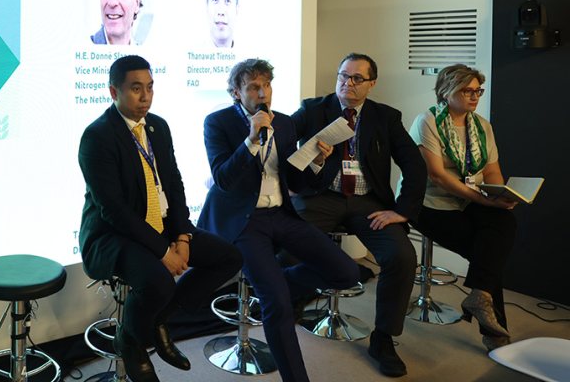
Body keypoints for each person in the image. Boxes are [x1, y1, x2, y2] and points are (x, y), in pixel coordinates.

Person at [79, 55, 242, 382]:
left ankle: (157, 319)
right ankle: (132, 342)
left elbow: (174, 184)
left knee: (229, 257)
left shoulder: (158, 126)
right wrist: (163, 252)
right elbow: (114, 210)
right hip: (112, 236)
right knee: (158, 279)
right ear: (114, 91)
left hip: (163, 225)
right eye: (136, 89)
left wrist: (182, 238)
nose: (146, 97)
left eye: (150, 88)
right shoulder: (98, 136)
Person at [198, 59, 359, 382]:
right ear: (236, 92)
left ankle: (277, 281)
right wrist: (252, 139)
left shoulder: (284, 124)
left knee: (346, 272)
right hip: (243, 222)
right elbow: (224, 179)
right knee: (279, 306)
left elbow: (298, 185)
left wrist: (316, 162)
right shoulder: (218, 123)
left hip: (281, 214)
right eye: (253, 87)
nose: (262, 93)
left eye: (266, 86)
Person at [290, 53, 426, 378]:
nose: (346, 84)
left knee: (402, 256)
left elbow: (414, 164)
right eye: (342, 76)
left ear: (372, 84)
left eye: (356, 79)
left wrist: (401, 212)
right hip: (321, 196)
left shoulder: (385, 117)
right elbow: (281, 141)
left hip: (368, 203)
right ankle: (293, 300)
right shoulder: (313, 109)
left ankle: (383, 338)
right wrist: (291, 177)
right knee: (286, 237)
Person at [408, 64, 517, 350]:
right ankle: (495, 333)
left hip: (470, 199)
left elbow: (492, 171)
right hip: (428, 203)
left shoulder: (482, 125)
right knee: (487, 253)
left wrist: (500, 195)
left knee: (504, 222)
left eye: (477, 91)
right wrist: (483, 199)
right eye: (467, 91)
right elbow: (437, 175)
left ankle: (479, 296)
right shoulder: (427, 121)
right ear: (446, 91)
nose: (474, 96)